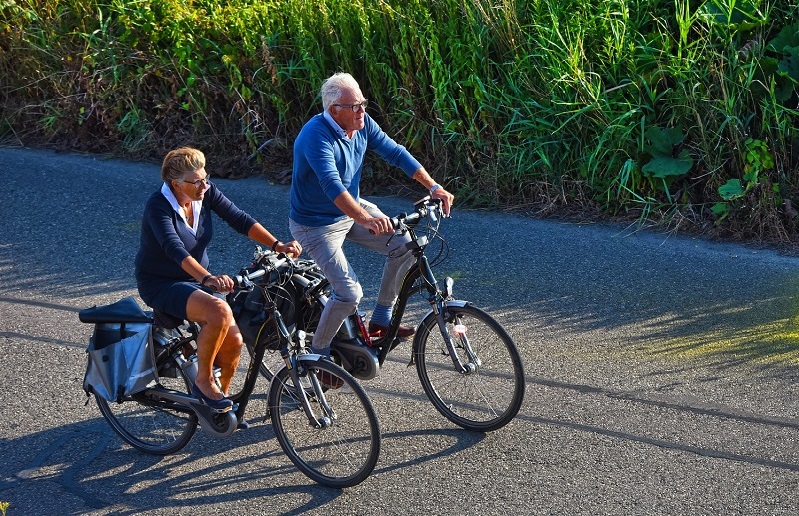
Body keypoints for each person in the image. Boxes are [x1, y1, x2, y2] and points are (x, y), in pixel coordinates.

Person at [289, 72, 455, 358]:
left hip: (350, 208)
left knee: (406, 245)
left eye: (363, 103)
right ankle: (317, 356)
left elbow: (395, 152)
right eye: (355, 106)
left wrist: (434, 186)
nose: (362, 110)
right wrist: (365, 219)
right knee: (349, 294)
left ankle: (380, 319)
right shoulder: (315, 136)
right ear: (334, 111)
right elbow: (332, 185)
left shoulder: (361, 123)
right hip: (315, 225)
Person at [135, 146, 302, 411]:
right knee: (219, 311)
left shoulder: (205, 192)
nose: (204, 185)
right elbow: (174, 249)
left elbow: (239, 219)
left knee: (234, 342)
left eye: (205, 177)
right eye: (196, 181)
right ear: (176, 184)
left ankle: (217, 407)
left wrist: (277, 245)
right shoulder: (159, 206)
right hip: (161, 283)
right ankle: (203, 381)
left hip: (196, 280)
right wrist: (208, 278)